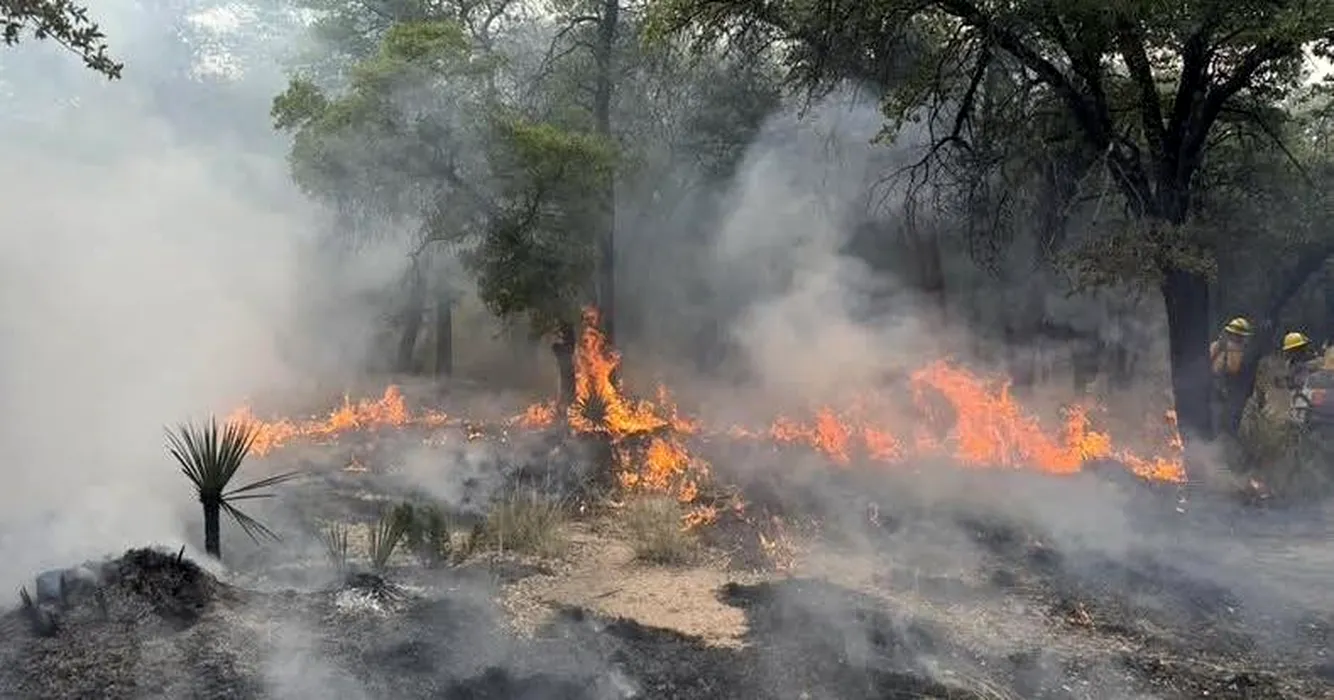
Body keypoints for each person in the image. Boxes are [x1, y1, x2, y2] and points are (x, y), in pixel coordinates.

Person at [1209, 317, 1252, 431]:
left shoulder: (1220, 346)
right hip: (1221, 391)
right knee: (1221, 422)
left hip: (1225, 391)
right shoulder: (1224, 347)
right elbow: (1233, 369)